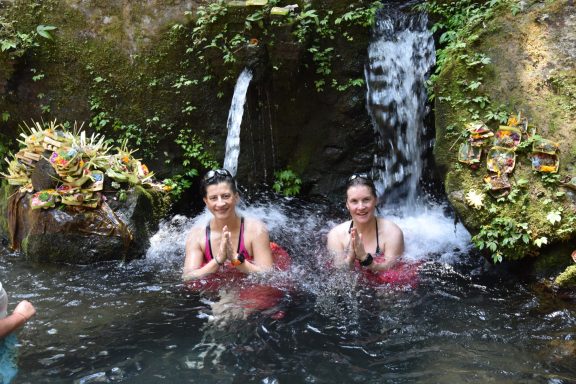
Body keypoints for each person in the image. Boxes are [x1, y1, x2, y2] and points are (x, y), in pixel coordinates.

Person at [182, 168, 274, 282]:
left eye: (226, 196)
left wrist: (236, 260)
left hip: (249, 290)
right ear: (206, 201)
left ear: (236, 197)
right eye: (213, 198)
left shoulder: (256, 230)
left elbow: (268, 275)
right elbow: (188, 277)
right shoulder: (196, 235)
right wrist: (218, 260)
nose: (220, 203)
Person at [327, 173, 405, 273]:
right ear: (347, 204)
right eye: (354, 201)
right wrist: (351, 256)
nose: (361, 207)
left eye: (366, 200)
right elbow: (338, 274)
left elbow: (391, 272)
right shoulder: (335, 235)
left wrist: (365, 258)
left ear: (376, 200)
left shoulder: (393, 233)